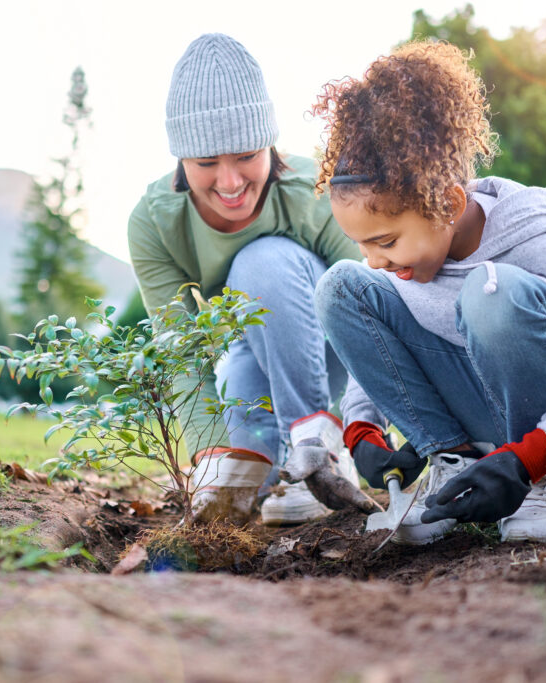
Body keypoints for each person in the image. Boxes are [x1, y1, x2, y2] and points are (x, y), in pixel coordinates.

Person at [310, 40, 546, 543]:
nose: (375, 260)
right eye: (362, 243)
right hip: (469, 423)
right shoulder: (404, 261)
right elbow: (385, 344)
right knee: (339, 287)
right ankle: (453, 466)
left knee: (491, 292)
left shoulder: (543, 241)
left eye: (385, 241)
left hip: (544, 438)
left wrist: (532, 458)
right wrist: (362, 428)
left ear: (450, 204)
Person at [127, 33, 371, 525]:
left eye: (244, 155)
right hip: (250, 352)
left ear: (270, 143)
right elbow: (181, 352)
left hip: (328, 348)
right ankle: (283, 465)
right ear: (180, 159)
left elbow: (369, 314)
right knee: (239, 475)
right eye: (205, 163)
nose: (230, 182)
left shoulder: (316, 192)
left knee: (262, 263)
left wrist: (360, 427)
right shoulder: (154, 223)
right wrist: (209, 455)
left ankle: (316, 443)